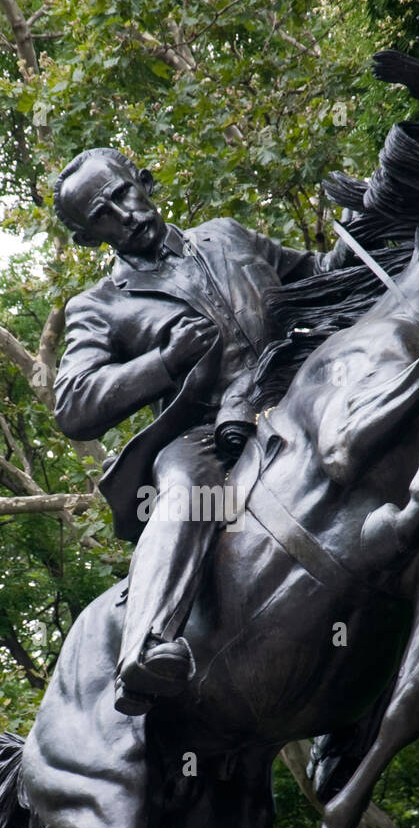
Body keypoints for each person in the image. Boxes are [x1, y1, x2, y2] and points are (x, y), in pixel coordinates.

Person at [53, 147, 338, 715]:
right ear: (91, 238)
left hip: (297, 396)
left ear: (144, 180)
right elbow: (74, 403)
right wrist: (162, 362)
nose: (126, 214)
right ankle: (144, 647)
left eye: (123, 193)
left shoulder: (226, 235)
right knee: (188, 499)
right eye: (103, 214)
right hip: (205, 434)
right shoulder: (99, 305)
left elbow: (322, 274)